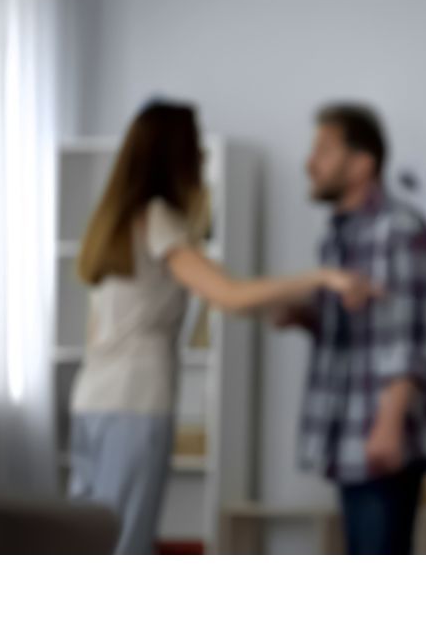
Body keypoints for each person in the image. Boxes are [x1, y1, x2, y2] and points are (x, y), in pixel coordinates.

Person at [68, 101, 379, 554]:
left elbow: (212, 297)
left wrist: (277, 313)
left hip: (92, 398)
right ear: (175, 153)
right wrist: (323, 276)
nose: (200, 156)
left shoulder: (119, 220)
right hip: (135, 402)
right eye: (194, 145)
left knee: (90, 541)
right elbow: (227, 293)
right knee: (123, 543)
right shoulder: (159, 217)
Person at [274, 103, 426, 555]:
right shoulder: (338, 233)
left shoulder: (401, 228)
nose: (309, 162)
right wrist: (306, 316)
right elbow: (360, 328)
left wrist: (389, 423)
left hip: (379, 434)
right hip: (345, 429)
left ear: (362, 163)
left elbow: (416, 334)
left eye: (323, 150)